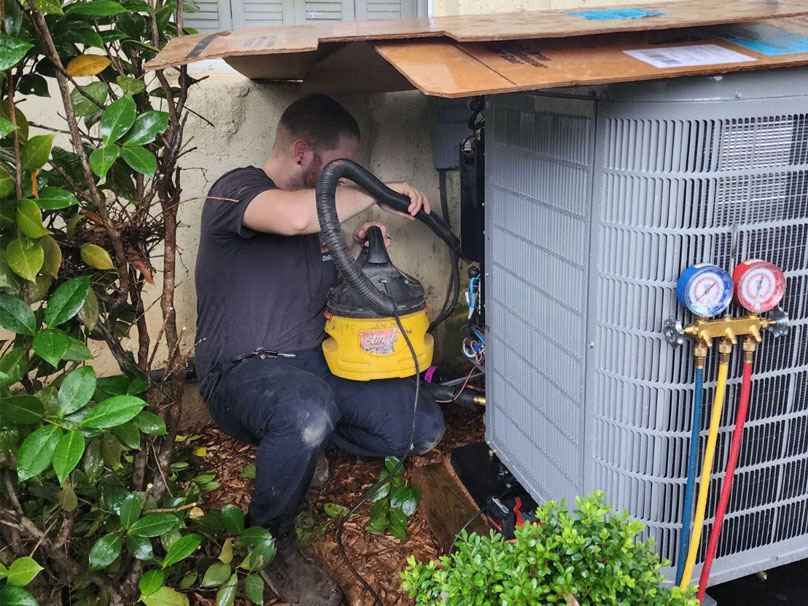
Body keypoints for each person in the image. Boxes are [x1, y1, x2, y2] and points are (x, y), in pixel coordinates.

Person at [194, 95, 445, 605]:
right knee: (306, 412)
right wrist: (377, 192)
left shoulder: (318, 223)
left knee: (420, 429)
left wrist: (360, 248)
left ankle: (302, 448)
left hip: (316, 367)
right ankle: (271, 541)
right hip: (243, 374)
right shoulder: (237, 191)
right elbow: (292, 219)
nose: (347, 183)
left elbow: (322, 270)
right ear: (303, 152)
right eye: (340, 170)